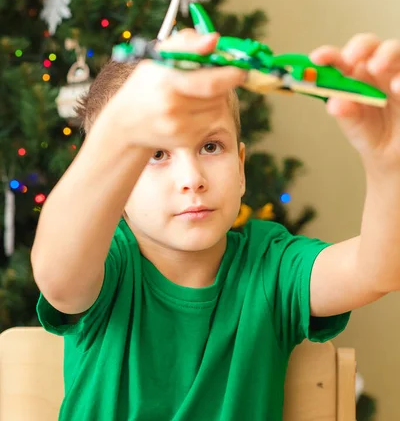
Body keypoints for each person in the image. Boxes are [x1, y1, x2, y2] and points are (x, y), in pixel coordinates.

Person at [31, 29, 400, 420]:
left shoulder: (270, 267)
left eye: (211, 147)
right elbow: (57, 276)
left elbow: (377, 270)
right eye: (155, 153)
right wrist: (120, 132)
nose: (192, 177)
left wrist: (390, 167)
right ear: (116, 186)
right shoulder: (109, 263)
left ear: (241, 168)